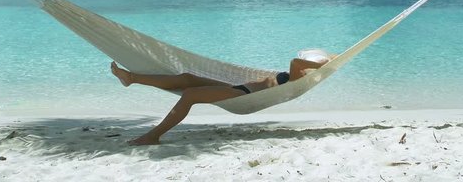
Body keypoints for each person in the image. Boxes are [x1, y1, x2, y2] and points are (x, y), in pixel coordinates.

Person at [110, 54, 334, 145]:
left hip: (242, 96)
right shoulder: (299, 75)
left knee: (190, 95)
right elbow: (297, 62)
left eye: (311, 61)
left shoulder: (299, 77)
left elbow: (295, 62)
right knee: (187, 79)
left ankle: (153, 135)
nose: (308, 61)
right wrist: (323, 62)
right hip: (237, 87)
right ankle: (132, 78)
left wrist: (323, 64)